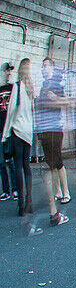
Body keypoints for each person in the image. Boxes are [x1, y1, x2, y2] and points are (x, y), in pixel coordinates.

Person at [2, 59, 39, 226]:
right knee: (27, 167)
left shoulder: (17, 86)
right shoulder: (31, 88)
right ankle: (29, 202)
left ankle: (20, 204)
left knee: (17, 167)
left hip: (17, 131)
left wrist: (5, 134)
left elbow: (11, 111)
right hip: (28, 133)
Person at [36, 58, 71, 205]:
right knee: (50, 162)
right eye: (42, 66)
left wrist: (55, 98)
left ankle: (66, 191)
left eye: (46, 66)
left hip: (55, 127)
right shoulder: (43, 85)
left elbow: (66, 101)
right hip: (45, 128)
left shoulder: (57, 84)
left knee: (58, 160)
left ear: (52, 68)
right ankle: (58, 190)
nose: (43, 68)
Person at [0, 62, 13, 201]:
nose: (9, 73)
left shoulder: (12, 87)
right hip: (0, 129)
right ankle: (5, 190)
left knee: (11, 161)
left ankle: (15, 190)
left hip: (9, 130)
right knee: (1, 162)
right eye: (7, 70)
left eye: (10, 71)